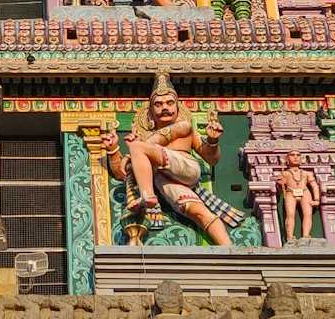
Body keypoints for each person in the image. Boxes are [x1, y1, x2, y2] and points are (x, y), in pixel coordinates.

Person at [100, 76, 241, 245]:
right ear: (151, 112)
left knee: (138, 148)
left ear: (177, 107)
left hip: (185, 166)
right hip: (164, 179)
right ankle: (228, 249)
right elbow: (123, 173)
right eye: (158, 105)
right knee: (199, 212)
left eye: (169, 103)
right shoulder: (146, 144)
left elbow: (211, 159)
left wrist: (212, 141)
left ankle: (148, 195)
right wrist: (113, 150)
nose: (164, 108)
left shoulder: (184, 127)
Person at [278, 153, 322, 244]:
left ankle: (306, 235)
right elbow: (281, 186)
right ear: (287, 159)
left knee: (308, 214)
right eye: (292, 155)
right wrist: (280, 182)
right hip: (290, 192)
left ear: (301, 159)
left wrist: (317, 199)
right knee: (290, 214)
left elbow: (314, 186)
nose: (295, 157)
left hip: (305, 192)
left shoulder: (306, 173)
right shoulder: (285, 173)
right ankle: (290, 236)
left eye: (298, 155)